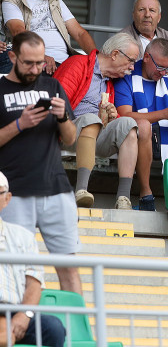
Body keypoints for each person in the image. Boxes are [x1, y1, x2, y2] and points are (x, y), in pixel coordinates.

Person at [0, 31, 81, 293]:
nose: (36, 70)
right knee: (17, 270)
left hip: (55, 188)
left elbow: (70, 139)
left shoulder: (52, 86)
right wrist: (19, 124)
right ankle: (20, 319)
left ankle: (77, 321)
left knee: (68, 268)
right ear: (12, 57)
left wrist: (62, 118)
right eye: (29, 63)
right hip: (14, 192)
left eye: (40, 63)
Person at [53, 33, 140, 209]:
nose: (132, 67)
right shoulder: (78, 64)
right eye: (131, 61)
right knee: (91, 119)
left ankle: (123, 198)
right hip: (66, 132)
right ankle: (81, 191)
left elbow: (103, 122)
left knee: (128, 124)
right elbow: (57, 103)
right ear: (115, 54)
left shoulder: (110, 82)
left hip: (93, 135)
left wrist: (111, 116)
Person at [115, 38, 168, 211]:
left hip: (165, 137)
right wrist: (164, 114)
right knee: (143, 126)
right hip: (134, 137)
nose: (164, 73)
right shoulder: (126, 77)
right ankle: (146, 194)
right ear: (147, 57)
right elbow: (124, 115)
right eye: (160, 67)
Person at [0, 172, 66, 347]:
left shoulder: (23, 236)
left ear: (7, 199)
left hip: (16, 310)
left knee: (53, 328)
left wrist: (25, 314)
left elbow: (34, 283)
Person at [0, 0, 96, 75]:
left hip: (66, 63)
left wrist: (96, 58)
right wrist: (39, 56)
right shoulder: (12, 1)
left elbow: (79, 33)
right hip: (35, 61)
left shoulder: (55, 0)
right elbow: (18, 32)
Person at [120, 0, 168, 84]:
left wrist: (153, 73)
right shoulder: (121, 39)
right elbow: (121, 72)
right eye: (141, 10)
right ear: (133, 15)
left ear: (159, 17)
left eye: (152, 10)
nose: (147, 15)